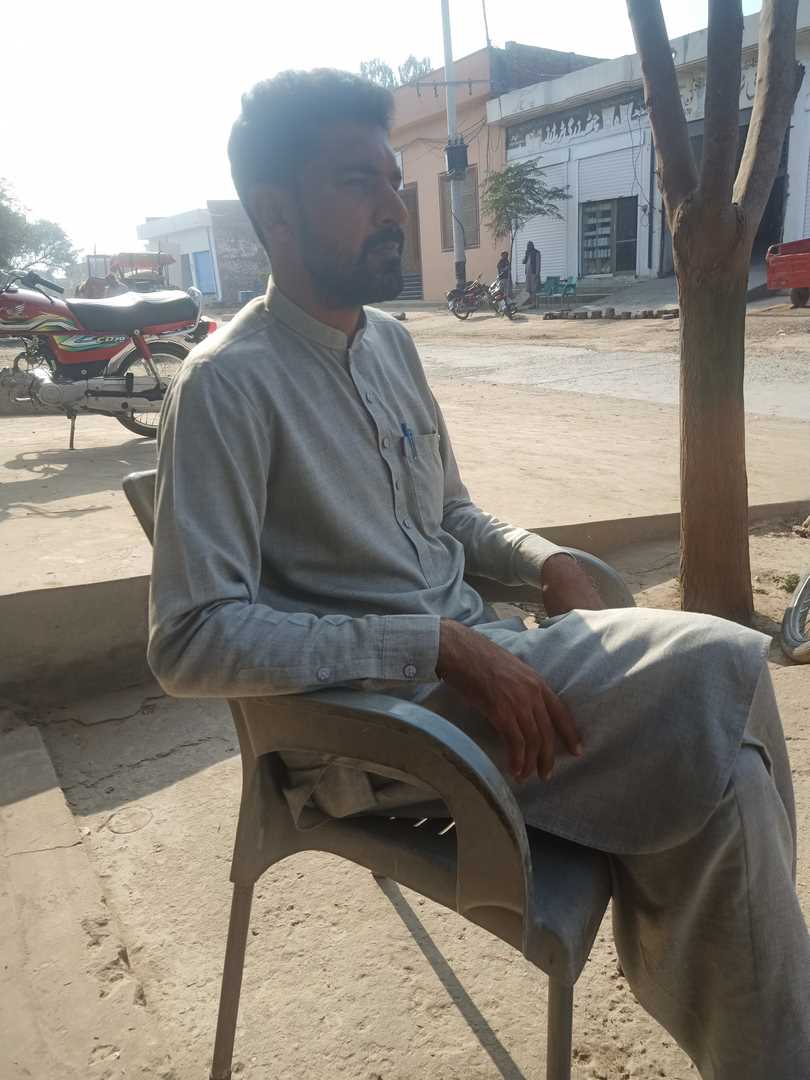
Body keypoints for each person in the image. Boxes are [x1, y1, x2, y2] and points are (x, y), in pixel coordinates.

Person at [149, 69, 810, 1079]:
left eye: (393, 182)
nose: (392, 207)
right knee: (722, 664)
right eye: (357, 183)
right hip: (384, 727)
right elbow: (190, 640)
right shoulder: (225, 387)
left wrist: (544, 561)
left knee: (729, 791)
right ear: (275, 214)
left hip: (488, 674)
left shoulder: (393, 346)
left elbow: (451, 515)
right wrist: (437, 645)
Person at [522, 240, 540, 305]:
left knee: (533, 288)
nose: (528, 247)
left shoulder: (536, 252)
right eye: (527, 245)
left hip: (533, 272)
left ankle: (534, 302)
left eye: (529, 245)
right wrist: (525, 256)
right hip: (528, 273)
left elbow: (538, 263)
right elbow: (523, 262)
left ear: (532, 246)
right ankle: (529, 301)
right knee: (528, 288)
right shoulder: (527, 252)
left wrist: (537, 273)